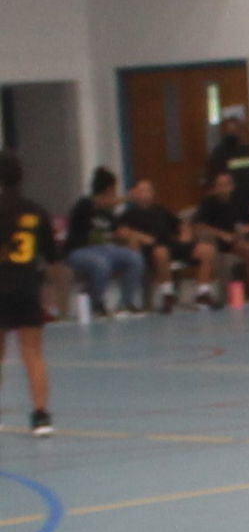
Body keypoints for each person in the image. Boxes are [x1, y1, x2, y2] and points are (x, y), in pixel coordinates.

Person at [0, 150, 56, 434]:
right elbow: (53, 257)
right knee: (32, 353)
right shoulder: (35, 211)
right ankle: (41, 416)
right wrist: (52, 294)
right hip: (26, 288)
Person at [118, 177, 215, 312]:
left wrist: (184, 235)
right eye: (142, 190)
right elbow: (122, 232)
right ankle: (167, 294)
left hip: (171, 244)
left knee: (207, 249)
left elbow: (181, 225)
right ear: (136, 193)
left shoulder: (161, 210)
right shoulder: (129, 214)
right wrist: (140, 237)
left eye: (148, 190)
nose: (146, 194)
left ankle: (203, 293)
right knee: (161, 251)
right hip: (150, 249)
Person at [65, 167, 144, 316]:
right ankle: (96, 303)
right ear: (109, 188)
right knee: (100, 263)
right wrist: (128, 198)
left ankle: (126, 303)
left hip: (104, 249)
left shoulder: (107, 213)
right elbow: (100, 203)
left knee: (134, 258)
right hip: (79, 251)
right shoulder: (85, 204)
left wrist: (133, 239)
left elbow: (118, 231)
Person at [193, 170, 249, 300]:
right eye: (220, 185)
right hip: (220, 242)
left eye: (226, 184)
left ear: (232, 186)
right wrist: (221, 234)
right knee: (247, 248)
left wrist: (248, 228)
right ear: (215, 187)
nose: (223, 188)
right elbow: (198, 225)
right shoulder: (208, 203)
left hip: (240, 237)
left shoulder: (239, 200)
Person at [204, 109, 249, 220]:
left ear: (240, 131)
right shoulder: (219, 154)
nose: (233, 132)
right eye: (229, 130)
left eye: (235, 129)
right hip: (232, 207)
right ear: (223, 132)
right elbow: (213, 183)